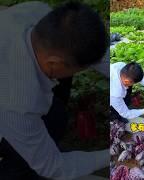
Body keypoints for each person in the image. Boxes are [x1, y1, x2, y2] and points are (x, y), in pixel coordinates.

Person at [0, 1, 109, 180]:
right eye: (79, 69)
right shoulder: (17, 100)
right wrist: (110, 155)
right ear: (53, 62)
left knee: (56, 115)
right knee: (25, 163)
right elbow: (53, 167)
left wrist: (126, 72)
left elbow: (88, 50)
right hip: (7, 109)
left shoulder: (40, 14)